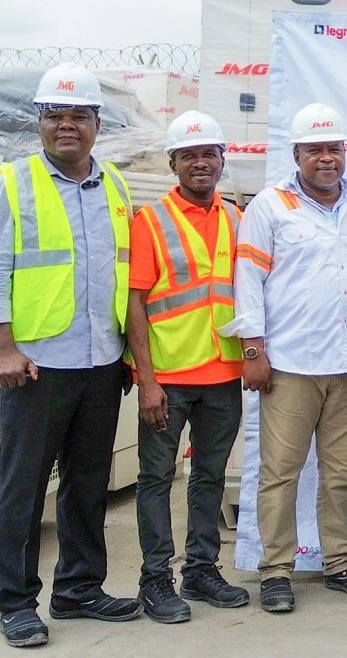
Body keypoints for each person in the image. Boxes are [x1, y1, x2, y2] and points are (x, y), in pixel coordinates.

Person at [0, 63, 142, 648]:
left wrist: (125, 352)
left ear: (97, 124)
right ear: (39, 122)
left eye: (79, 116)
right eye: (55, 115)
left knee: (88, 484)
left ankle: (78, 589)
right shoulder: (10, 185)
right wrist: (2, 348)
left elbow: (120, 272)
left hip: (101, 362)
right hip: (36, 365)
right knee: (23, 488)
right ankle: (16, 603)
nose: (67, 125)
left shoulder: (114, 185)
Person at [222, 102, 347, 613]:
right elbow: (248, 280)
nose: (326, 158)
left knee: (342, 473)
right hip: (289, 364)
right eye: (315, 150)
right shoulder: (270, 206)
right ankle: (275, 571)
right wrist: (252, 349)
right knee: (279, 473)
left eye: (334, 148)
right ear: (296, 155)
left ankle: (341, 563)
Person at [127, 110, 249, 623]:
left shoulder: (238, 219)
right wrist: (146, 380)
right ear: (173, 163)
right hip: (169, 378)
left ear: (222, 160)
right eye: (189, 155)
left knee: (209, 476)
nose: (201, 163)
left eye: (209, 154)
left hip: (222, 374)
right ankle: (156, 579)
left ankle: (201, 570)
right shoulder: (150, 221)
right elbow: (135, 304)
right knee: (156, 478)